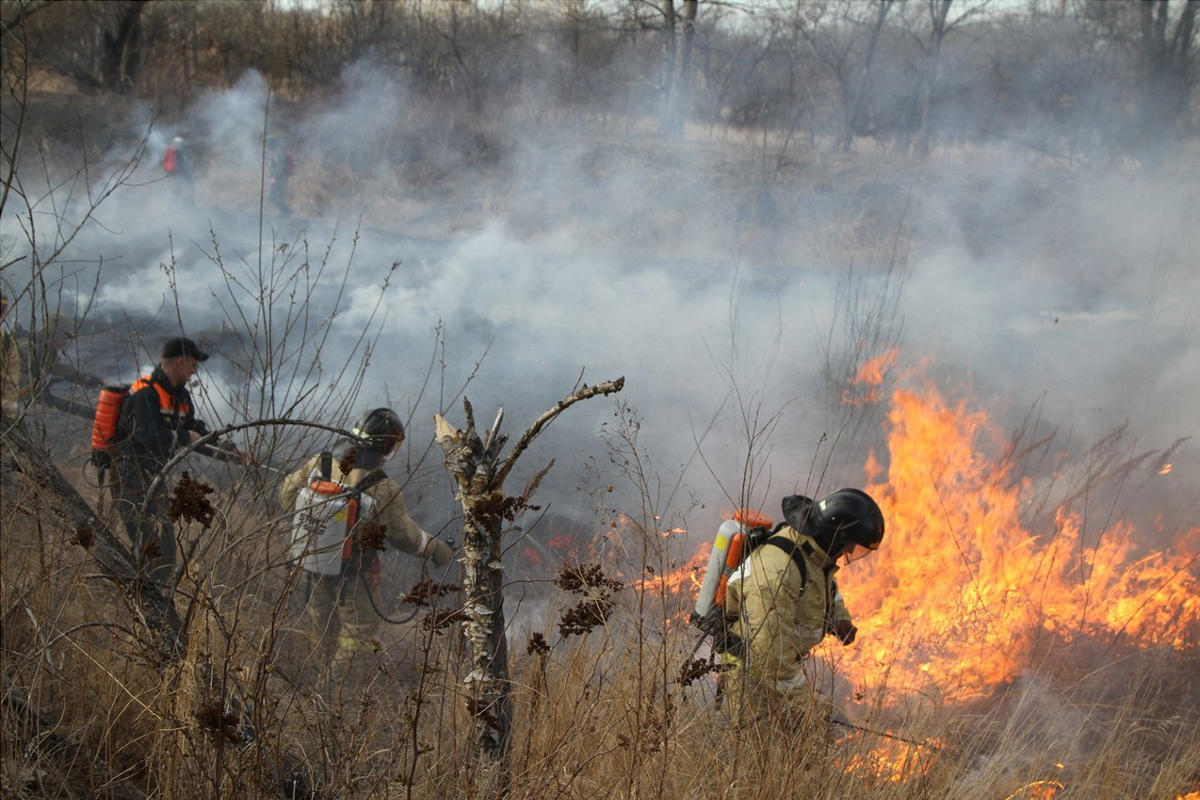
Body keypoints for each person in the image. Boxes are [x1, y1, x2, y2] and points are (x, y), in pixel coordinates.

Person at [279, 407, 454, 680]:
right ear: (385, 445)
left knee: (322, 629)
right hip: (355, 576)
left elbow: (287, 497)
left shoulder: (320, 463)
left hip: (314, 567)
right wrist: (439, 550)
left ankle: (316, 684)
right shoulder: (381, 486)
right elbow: (405, 537)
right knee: (357, 638)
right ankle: (331, 691)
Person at [719, 488, 885, 729]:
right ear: (836, 536)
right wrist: (806, 708)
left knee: (806, 740)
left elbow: (824, 586)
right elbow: (771, 659)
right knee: (767, 755)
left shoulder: (813, 553)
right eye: (850, 545)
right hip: (752, 677)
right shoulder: (777, 574)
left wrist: (838, 619)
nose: (849, 553)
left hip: (781, 665)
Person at [111, 336, 249, 590]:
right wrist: (186, 437)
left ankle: (153, 592)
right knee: (148, 542)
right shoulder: (146, 393)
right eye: (193, 364)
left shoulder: (180, 396)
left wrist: (229, 451)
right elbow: (152, 438)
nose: (195, 370)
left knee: (164, 545)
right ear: (179, 362)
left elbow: (196, 430)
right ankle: (139, 595)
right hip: (129, 473)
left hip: (153, 476)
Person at [163, 133, 195, 206]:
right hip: (182, 170)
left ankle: (171, 207)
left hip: (173, 170)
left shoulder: (172, 143)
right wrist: (190, 168)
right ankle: (189, 206)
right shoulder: (182, 144)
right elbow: (186, 158)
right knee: (190, 186)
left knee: (177, 188)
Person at [265, 136, 292, 215]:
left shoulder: (278, 153)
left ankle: (287, 210)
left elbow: (280, 167)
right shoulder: (274, 153)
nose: (266, 146)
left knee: (271, 196)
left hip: (279, 179)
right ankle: (284, 215)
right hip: (279, 178)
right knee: (279, 196)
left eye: (267, 144)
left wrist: (274, 178)